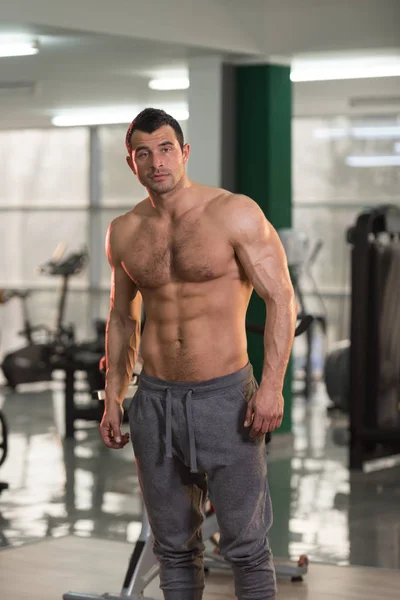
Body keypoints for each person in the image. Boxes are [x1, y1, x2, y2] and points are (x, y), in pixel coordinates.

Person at [100, 108, 297, 600]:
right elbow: (123, 318)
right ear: (132, 164)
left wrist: (271, 387)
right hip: (156, 401)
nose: (156, 161)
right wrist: (113, 395)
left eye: (165, 149)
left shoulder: (234, 213)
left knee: (246, 547)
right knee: (173, 548)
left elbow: (281, 299)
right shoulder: (124, 231)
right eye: (143, 153)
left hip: (225, 398)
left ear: (184, 153)